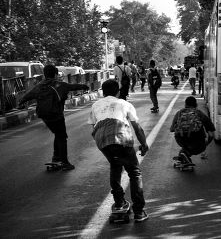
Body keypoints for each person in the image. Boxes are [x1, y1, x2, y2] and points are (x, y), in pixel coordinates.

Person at [87, 79, 149, 222]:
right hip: (121, 136)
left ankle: (119, 202)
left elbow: (94, 127)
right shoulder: (125, 103)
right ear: (118, 91)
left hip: (102, 139)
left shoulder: (96, 105)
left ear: (103, 92)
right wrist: (144, 144)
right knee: (134, 173)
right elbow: (137, 127)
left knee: (115, 166)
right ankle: (139, 211)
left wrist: (107, 145)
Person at [18, 64, 89, 170]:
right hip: (56, 115)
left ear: (44, 74)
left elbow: (27, 96)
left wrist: (20, 103)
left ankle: (56, 158)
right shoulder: (60, 85)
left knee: (58, 134)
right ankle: (65, 162)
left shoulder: (39, 86)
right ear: (56, 74)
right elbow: (73, 86)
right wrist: (85, 86)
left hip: (44, 116)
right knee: (62, 137)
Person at [170, 96, 215, 164]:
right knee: (197, 146)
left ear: (185, 104)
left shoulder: (179, 113)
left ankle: (184, 154)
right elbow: (211, 134)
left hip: (181, 140)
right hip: (197, 142)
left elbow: (172, 129)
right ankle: (186, 154)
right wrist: (205, 144)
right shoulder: (200, 114)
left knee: (185, 147)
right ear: (196, 105)